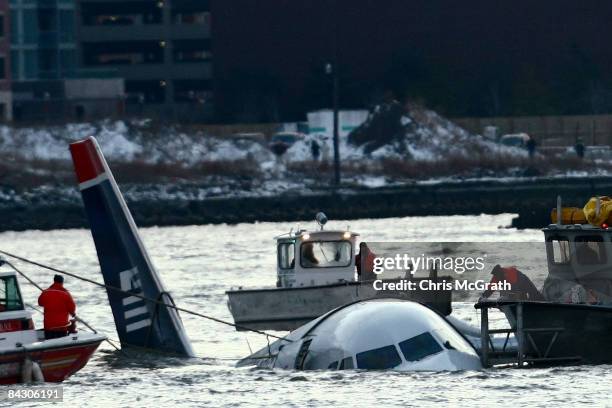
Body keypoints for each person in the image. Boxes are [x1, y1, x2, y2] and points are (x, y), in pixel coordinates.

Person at [38, 275, 76, 339]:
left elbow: (40, 303)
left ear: (54, 281)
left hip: (48, 326)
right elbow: (72, 308)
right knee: (61, 341)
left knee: (49, 342)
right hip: (62, 326)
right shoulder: (66, 294)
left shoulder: (45, 292)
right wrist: (73, 314)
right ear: (62, 282)